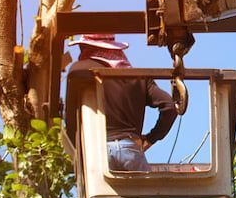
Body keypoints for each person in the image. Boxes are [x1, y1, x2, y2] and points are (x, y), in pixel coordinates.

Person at [66, 34, 177, 171]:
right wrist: (150, 139)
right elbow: (170, 106)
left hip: (97, 150)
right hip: (130, 148)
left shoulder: (79, 71)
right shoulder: (139, 77)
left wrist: (78, 150)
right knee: (146, 193)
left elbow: (70, 120)